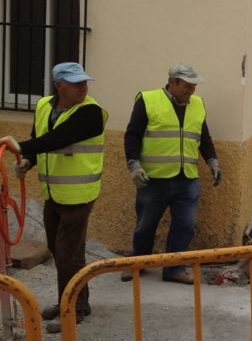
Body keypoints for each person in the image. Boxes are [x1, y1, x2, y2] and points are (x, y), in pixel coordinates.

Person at [0, 62, 107, 333]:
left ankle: (72, 309)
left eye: (85, 82)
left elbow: (60, 138)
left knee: (67, 253)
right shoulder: (44, 106)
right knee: (60, 250)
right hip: (54, 192)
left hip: (79, 195)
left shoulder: (91, 112)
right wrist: (28, 161)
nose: (83, 88)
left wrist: (20, 147)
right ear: (59, 85)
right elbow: (41, 138)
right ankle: (74, 302)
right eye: (77, 83)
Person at [122, 64, 222, 284]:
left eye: (194, 86)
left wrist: (212, 162)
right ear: (172, 82)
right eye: (187, 86)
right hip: (153, 180)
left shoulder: (197, 104)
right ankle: (138, 263)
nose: (192, 90)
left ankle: (174, 269)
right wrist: (134, 166)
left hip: (187, 179)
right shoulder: (148, 100)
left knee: (185, 226)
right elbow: (132, 135)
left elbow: (204, 138)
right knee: (145, 226)